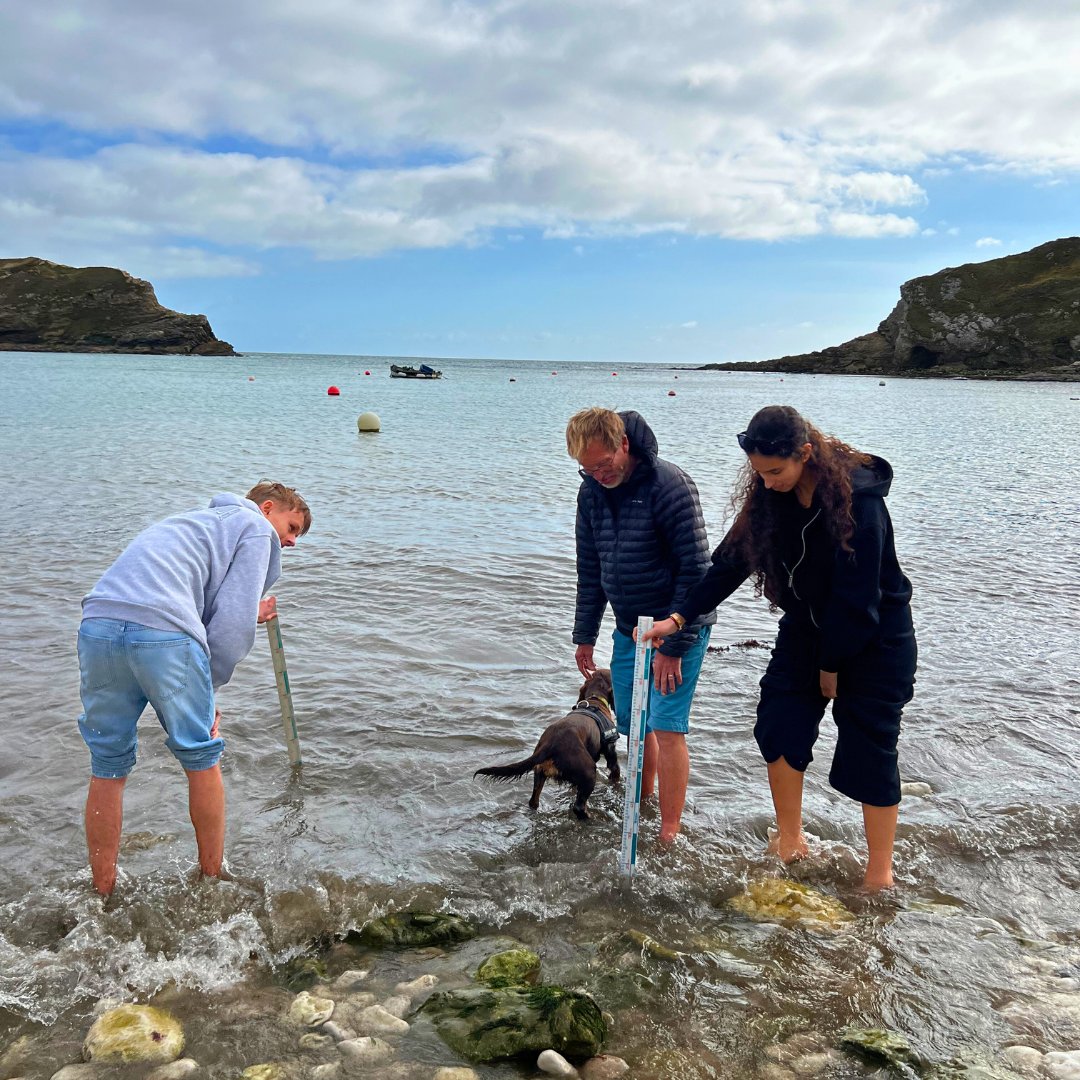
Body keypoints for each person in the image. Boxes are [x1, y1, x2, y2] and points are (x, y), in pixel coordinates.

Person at [642, 406, 916, 890]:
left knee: (870, 749)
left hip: (876, 638)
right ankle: (790, 840)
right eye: (758, 473)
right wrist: (679, 616)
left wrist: (831, 667)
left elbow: (859, 598)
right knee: (779, 723)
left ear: (805, 454)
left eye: (775, 471)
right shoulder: (770, 502)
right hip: (806, 630)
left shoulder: (860, 502)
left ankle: (880, 874)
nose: (766, 483)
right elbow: (728, 564)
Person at [76, 481, 311, 896]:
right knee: (201, 753)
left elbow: (179, 590)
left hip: (98, 625)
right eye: (291, 527)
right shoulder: (255, 528)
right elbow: (231, 627)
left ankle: (102, 891)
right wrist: (209, 690)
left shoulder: (194, 523)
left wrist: (244, 611)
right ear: (267, 508)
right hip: (162, 635)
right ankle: (211, 884)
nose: (291, 541)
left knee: (108, 763)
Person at [566, 407, 715, 843]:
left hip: (676, 628)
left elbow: (697, 572)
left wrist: (674, 644)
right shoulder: (591, 493)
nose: (597, 475)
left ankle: (669, 831)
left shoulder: (671, 486)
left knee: (667, 724)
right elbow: (589, 569)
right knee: (634, 722)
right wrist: (584, 635)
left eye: (603, 464)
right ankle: (641, 803)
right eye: (586, 468)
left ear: (623, 445)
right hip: (628, 626)